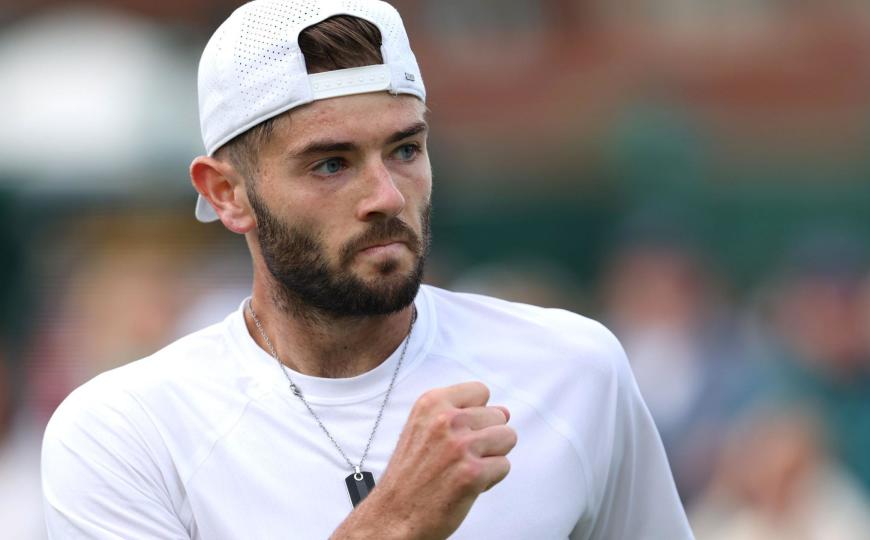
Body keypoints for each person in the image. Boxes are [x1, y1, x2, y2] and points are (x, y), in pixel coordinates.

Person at [41, 1, 692, 538]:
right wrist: (395, 524)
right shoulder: (123, 433)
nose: (385, 195)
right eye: (331, 163)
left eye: (405, 148)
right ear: (226, 195)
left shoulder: (575, 368)